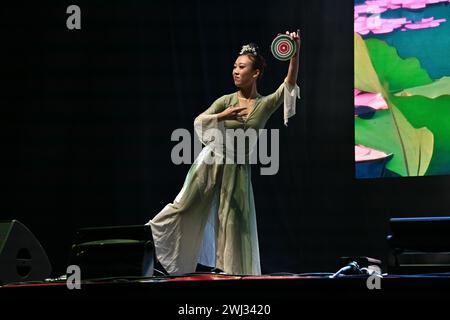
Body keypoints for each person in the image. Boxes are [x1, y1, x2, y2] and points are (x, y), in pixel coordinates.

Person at [147, 31, 301, 276]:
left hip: (237, 169)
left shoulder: (264, 104)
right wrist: (223, 116)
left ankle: (231, 273)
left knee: (234, 225)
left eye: (242, 67)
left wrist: (294, 52)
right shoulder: (226, 101)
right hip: (210, 161)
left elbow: (288, 86)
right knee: (185, 206)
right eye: (234, 67)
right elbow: (200, 120)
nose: (236, 71)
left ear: (256, 73)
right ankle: (149, 236)